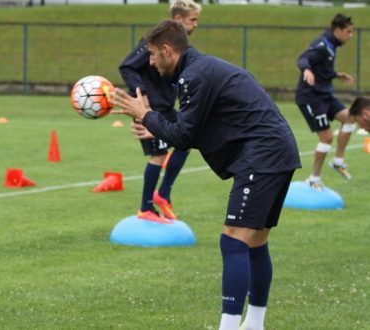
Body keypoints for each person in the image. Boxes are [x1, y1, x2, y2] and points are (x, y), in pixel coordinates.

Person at [110, 20, 301, 330]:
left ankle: (230, 326)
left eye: (153, 55)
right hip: (277, 151)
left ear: (167, 50)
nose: (150, 62)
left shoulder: (193, 76)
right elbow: (189, 128)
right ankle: (254, 324)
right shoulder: (201, 70)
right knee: (255, 240)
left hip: (263, 155)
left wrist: (145, 114)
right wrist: (151, 121)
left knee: (233, 240)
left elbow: (184, 137)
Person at [118, 0, 201, 223]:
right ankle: (145, 207)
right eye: (192, 20)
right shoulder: (152, 43)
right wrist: (141, 94)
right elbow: (127, 66)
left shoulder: (178, 49)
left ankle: (162, 194)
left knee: (186, 142)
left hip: (166, 106)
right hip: (150, 108)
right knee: (159, 155)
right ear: (178, 19)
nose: (196, 25)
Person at [295, 14, 356, 191]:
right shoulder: (322, 43)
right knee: (327, 137)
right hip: (310, 97)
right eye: (348, 32)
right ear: (337, 31)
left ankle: (337, 161)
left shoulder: (332, 45)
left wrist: (336, 74)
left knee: (349, 118)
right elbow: (303, 58)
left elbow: (321, 68)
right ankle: (313, 178)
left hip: (324, 94)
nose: (350, 35)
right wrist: (306, 70)